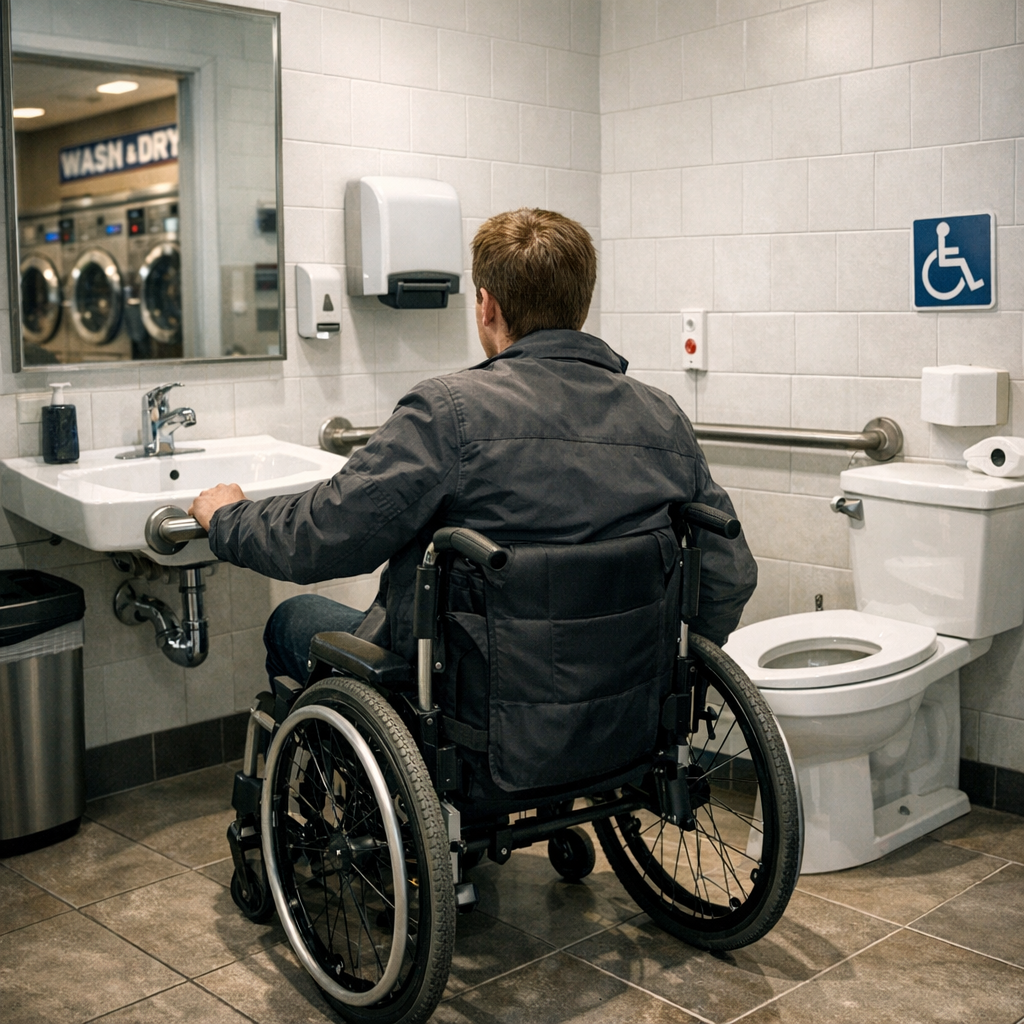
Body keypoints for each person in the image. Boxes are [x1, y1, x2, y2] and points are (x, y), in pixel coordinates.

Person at [189, 208, 757, 688]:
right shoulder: (660, 415)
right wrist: (641, 673)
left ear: (486, 306)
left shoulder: (448, 414)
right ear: (580, 305)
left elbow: (323, 538)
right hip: (614, 715)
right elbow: (729, 574)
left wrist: (229, 519)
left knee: (291, 620)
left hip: (471, 712)